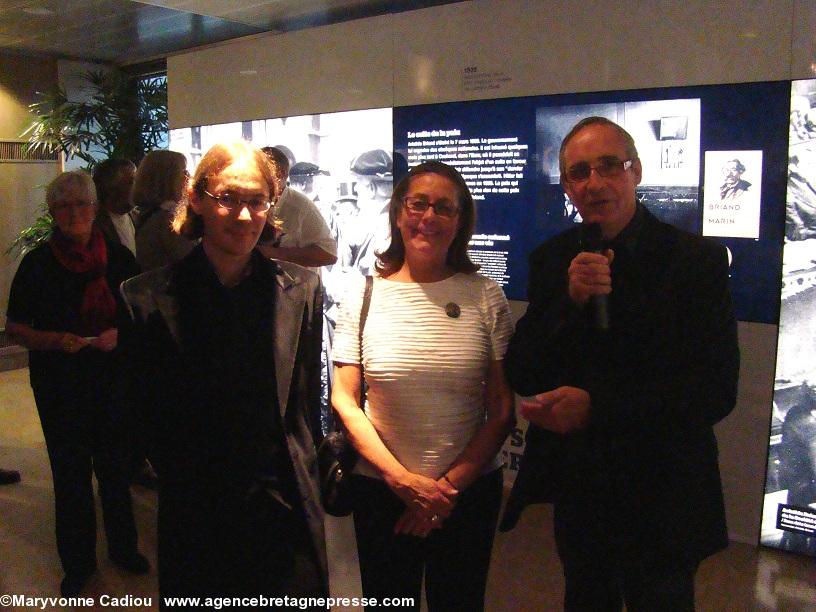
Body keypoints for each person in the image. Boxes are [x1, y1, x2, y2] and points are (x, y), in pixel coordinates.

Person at [501, 116, 740, 610]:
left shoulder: (695, 261)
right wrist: (568, 301)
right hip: (584, 492)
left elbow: (715, 390)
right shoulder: (553, 259)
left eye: (609, 166)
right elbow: (522, 370)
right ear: (567, 185)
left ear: (636, 170)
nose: (595, 183)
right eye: (580, 172)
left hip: (666, 491)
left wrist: (597, 409)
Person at [120, 142, 327, 602]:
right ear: (196, 198)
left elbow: (305, 404)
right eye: (228, 198)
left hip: (284, 506)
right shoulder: (146, 298)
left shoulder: (302, 291)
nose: (244, 215)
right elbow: (142, 411)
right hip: (198, 509)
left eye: (257, 201)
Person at [331, 160, 515, 611]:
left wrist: (443, 491)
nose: (428, 217)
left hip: (466, 494)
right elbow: (345, 398)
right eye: (418, 204)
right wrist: (401, 482)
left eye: (444, 208)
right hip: (381, 491)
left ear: (460, 221)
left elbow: (502, 407)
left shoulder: (485, 295)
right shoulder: (364, 293)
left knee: (460, 602)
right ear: (398, 213)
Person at [6, 170, 148, 597]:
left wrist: (119, 335)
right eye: (63, 206)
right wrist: (54, 340)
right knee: (70, 476)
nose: (74, 213)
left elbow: (143, 318)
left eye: (81, 204)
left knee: (115, 469)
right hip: (59, 383)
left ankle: (124, 549)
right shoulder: (37, 263)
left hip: (111, 379)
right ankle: (79, 564)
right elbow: (15, 327)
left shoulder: (120, 258)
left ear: (95, 208)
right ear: (53, 212)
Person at [258, 146, 338, 268]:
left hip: (297, 285)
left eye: (261, 172)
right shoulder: (251, 204)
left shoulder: (301, 207)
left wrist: (271, 253)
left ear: (280, 174)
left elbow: (328, 254)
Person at [132, 150, 196, 271]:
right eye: (184, 172)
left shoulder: (150, 213)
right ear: (167, 178)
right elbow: (194, 262)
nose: (189, 177)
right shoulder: (168, 220)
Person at [348, 149, 394, 276]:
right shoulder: (388, 220)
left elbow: (372, 278)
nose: (356, 188)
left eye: (358, 182)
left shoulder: (385, 228)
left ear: (372, 188)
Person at [92, 158, 137, 255]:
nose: (137, 187)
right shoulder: (94, 223)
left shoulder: (138, 217)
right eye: (131, 182)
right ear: (111, 187)